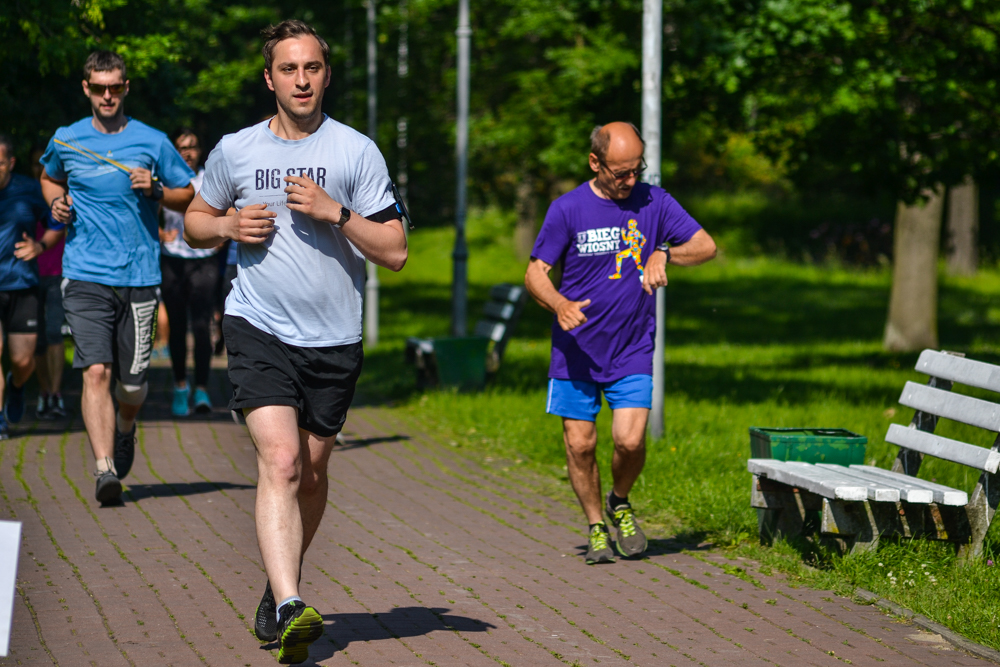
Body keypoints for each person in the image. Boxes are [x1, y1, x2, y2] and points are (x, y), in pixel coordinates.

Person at [184, 20, 407, 664]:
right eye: (289, 69)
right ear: (270, 78)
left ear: (326, 75)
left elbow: (394, 252)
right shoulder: (236, 150)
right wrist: (227, 222)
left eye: (312, 68)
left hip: (334, 338)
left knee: (311, 473)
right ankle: (289, 608)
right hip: (259, 326)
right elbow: (195, 219)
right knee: (280, 461)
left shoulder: (357, 152)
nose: (301, 80)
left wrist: (335, 212)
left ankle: (278, 587)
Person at [524, 122, 717, 565]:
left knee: (629, 441)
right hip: (575, 351)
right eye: (621, 173)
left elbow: (705, 246)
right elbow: (535, 273)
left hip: (631, 347)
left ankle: (619, 501)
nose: (631, 181)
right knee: (581, 445)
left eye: (637, 170)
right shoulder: (567, 209)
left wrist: (665, 252)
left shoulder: (655, 201)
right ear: (596, 163)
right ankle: (595, 526)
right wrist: (558, 304)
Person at [40, 50, 195, 505]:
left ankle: (126, 425)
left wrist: (159, 189)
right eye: (98, 88)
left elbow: (189, 196)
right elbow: (50, 178)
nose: (107, 96)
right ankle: (105, 469)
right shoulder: (66, 140)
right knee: (96, 371)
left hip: (140, 275)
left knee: (132, 383)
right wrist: (56, 203)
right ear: (85, 89)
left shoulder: (153, 141)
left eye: (115, 88)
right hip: (85, 272)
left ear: (126, 88)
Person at [0, 135, 66, 438]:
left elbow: (55, 224)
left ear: (10, 163)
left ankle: (16, 385)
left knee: (23, 360)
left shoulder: (28, 189)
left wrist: (39, 246)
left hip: (23, 283)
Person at [160, 128, 218, 416]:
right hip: (172, 260)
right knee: (178, 327)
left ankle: (202, 390)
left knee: (201, 325)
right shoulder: (165, 179)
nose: (187, 151)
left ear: (200, 150)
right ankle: (180, 386)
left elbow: (228, 210)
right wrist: (159, 234)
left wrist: (219, 239)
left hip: (204, 260)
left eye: (192, 146)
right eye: (181, 146)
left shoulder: (211, 177)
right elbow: (144, 211)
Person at [30, 145, 69, 420]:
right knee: (38, 340)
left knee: (55, 334)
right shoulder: (25, 196)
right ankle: (44, 392)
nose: (38, 170)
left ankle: (56, 394)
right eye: (34, 165)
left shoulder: (65, 197)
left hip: (58, 274)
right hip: (29, 276)